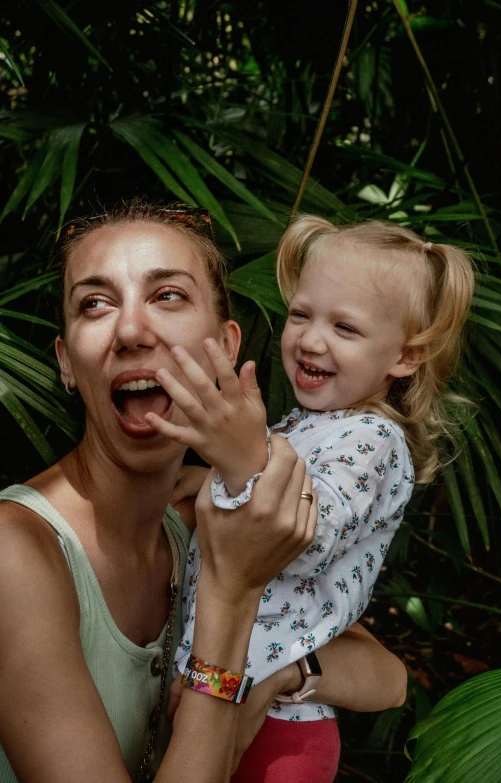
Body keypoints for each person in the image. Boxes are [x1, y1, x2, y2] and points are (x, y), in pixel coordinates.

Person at [0, 202, 407, 783]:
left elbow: (387, 678)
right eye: (95, 303)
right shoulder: (15, 552)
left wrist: (277, 675)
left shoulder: (207, 515)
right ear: (67, 362)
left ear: (225, 344)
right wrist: (232, 595)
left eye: (167, 296)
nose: (133, 331)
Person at [148, 215, 475, 782]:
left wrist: (239, 457)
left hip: (283, 729)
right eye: (301, 314)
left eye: (345, 328)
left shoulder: (373, 438)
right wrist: (217, 477)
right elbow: (280, 488)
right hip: (231, 685)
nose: (311, 338)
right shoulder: (310, 426)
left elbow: (304, 532)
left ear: (406, 357)